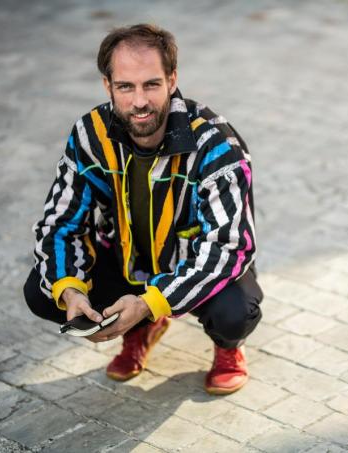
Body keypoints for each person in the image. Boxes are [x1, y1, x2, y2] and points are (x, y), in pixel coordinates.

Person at [23, 24, 263, 395]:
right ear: (108, 86)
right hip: (127, 260)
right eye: (125, 86)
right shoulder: (90, 135)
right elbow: (60, 222)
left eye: (151, 84)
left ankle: (228, 347)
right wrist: (72, 290)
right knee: (43, 290)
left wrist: (153, 301)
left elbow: (230, 248)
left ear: (172, 79)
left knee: (234, 315)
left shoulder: (216, 145)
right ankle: (140, 328)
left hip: (192, 262)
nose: (139, 101)